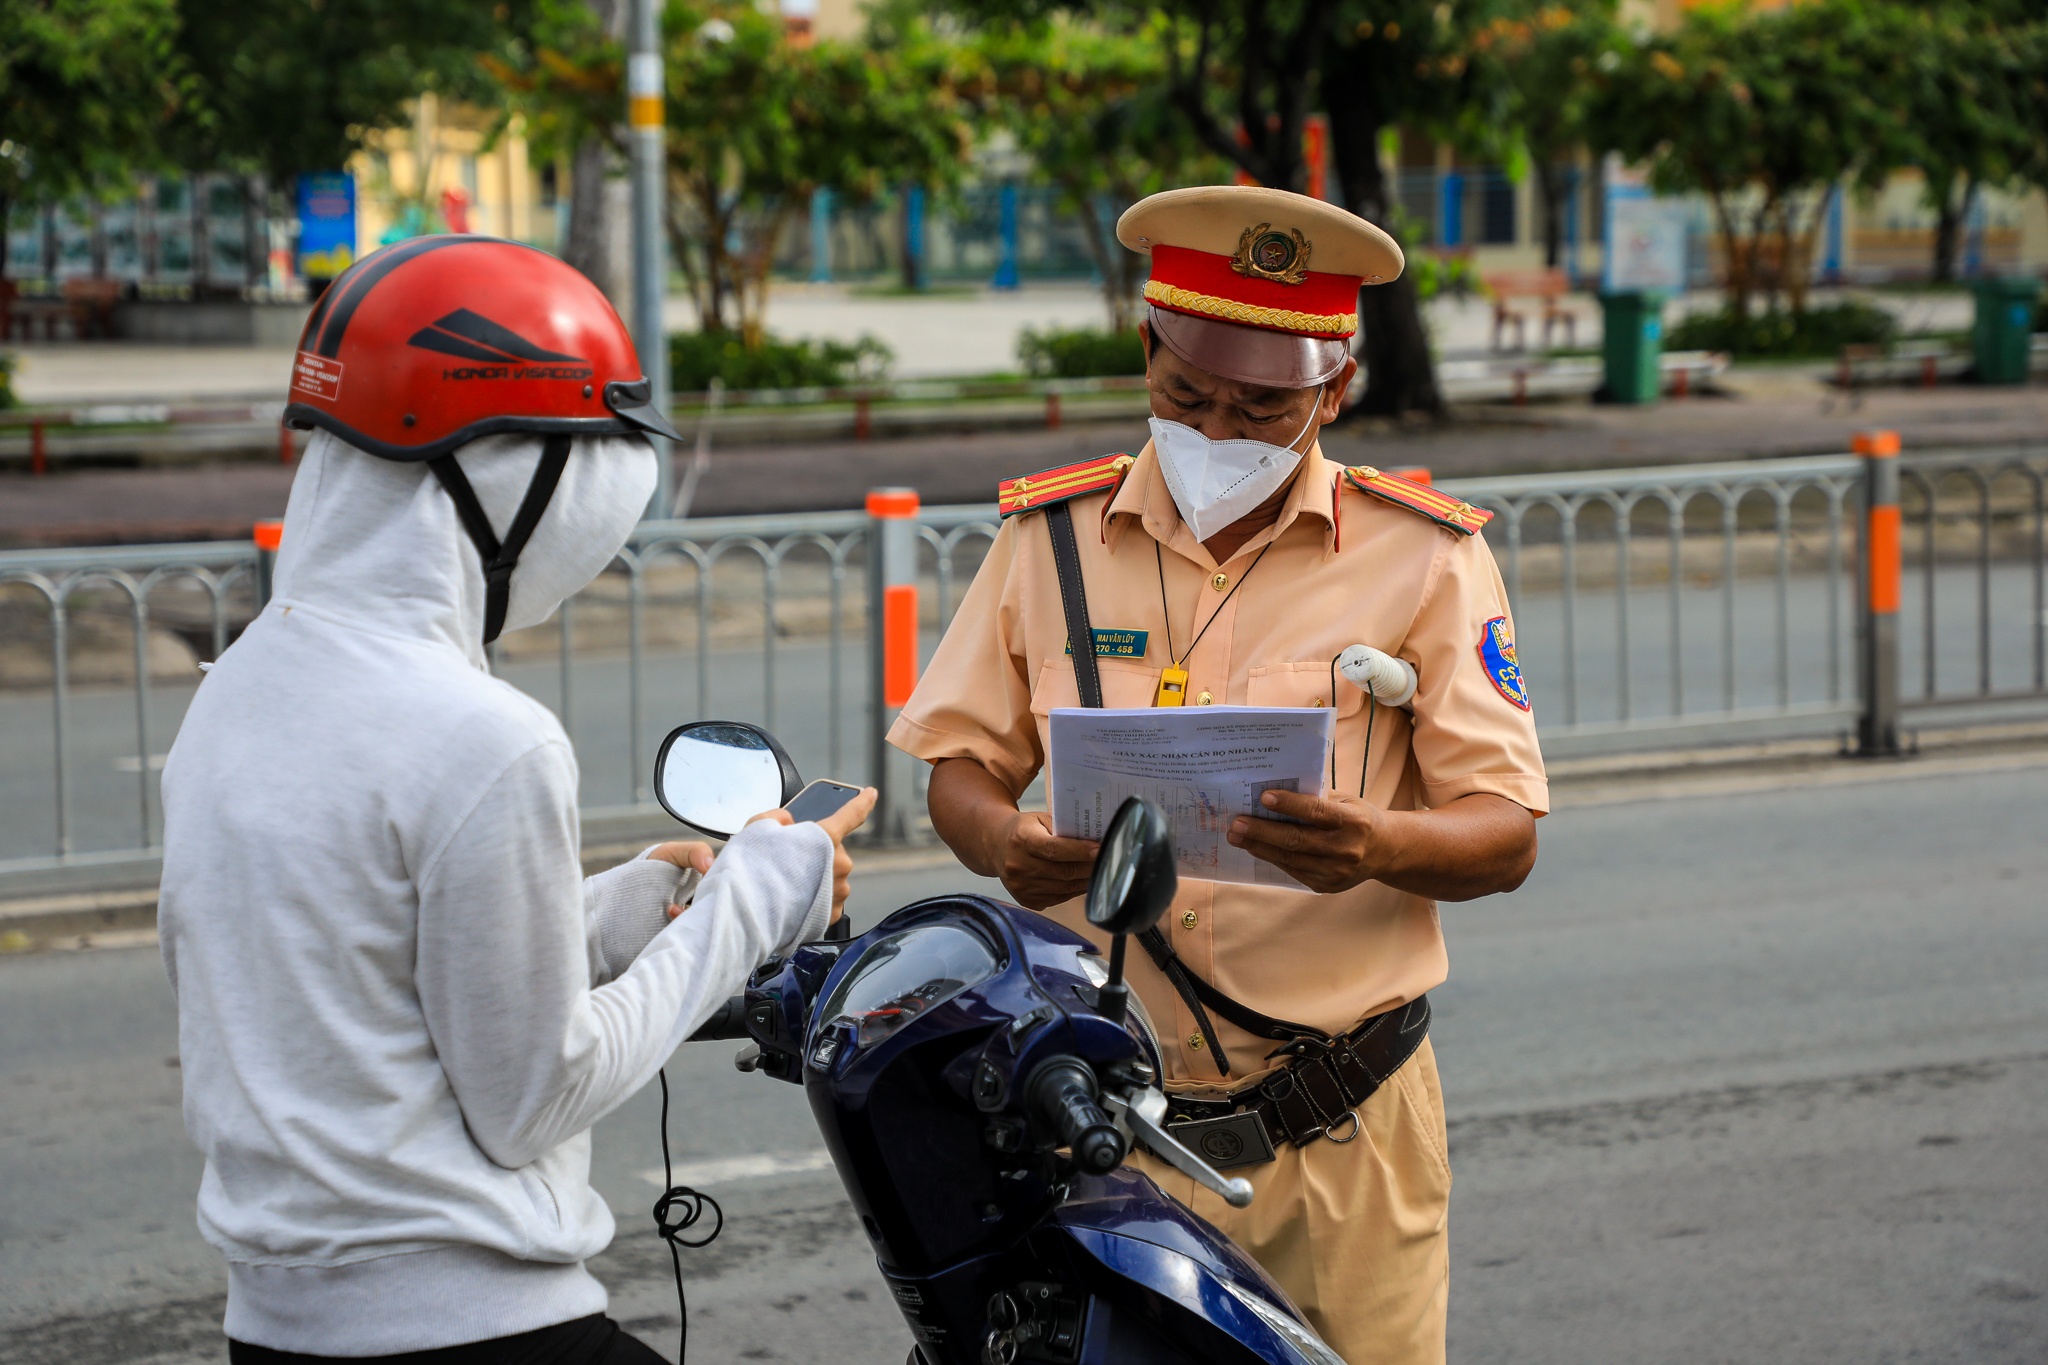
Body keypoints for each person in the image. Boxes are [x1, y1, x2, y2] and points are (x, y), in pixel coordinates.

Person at [158, 237, 875, 1364]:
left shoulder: (242, 686)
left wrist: (619, 907)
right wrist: (750, 902)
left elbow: (370, 958)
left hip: (278, 1329)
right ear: (505, 479)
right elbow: (538, 1094)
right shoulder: (484, 736)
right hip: (470, 1330)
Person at [887, 186, 1545, 1365]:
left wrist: (1376, 846)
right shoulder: (1050, 541)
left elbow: (1503, 835)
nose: (1218, 431)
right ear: (1147, 344)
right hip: (1093, 1122)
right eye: (1187, 393)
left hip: (1338, 1129)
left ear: (1332, 389)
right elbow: (960, 765)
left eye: (1261, 407)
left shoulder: (1426, 556)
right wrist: (1000, 844)